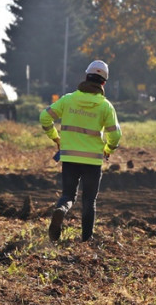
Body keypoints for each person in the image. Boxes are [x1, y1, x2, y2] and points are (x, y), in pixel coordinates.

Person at [39, 60, 122, 242]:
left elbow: (44, 117)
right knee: (89, 200)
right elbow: (115, 136)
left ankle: (61, 210)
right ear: (103, 83)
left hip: (69, 158)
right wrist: (108, 149)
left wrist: (56, 138)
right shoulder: (105, 106)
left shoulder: (68, 100)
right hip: (92, 162)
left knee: (68, 195)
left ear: (85, 77)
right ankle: (86, 239)